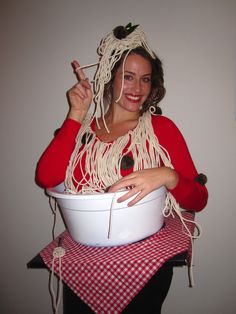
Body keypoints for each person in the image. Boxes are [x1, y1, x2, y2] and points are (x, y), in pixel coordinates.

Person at [36, 23, 208, 313]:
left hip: (145, 268)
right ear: (109, 78)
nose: (137, 88)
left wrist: (168, 176)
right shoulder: (83, 130)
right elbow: (46, 177)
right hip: (84, 265)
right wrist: (76, 114)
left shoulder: (160, 129)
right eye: (127, 77)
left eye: (145, 79)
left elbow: (198, 200)